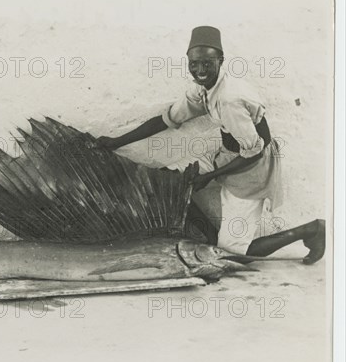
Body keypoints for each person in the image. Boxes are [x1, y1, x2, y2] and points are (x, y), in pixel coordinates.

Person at [96, 26, 325, 264]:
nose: (200, 70)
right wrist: (116, 142)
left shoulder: (229, 99)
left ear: (221, 61)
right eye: (194, 64)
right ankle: (212, 242)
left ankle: (310, 230)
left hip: (249, 171)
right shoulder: (204, 88)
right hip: (225, 155)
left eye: (207, 63)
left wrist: (211, 176)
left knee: (234, 257)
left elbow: (254, 153)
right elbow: (167, 119)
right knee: (166, 182)